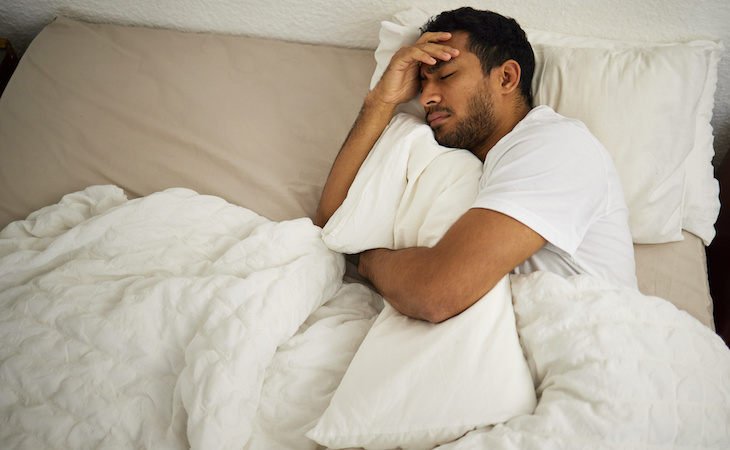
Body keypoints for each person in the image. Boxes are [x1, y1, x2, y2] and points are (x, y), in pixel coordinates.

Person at [314, 7, 637, 323]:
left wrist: (368, 261)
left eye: (447, 76)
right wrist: (381, 101)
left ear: (507, 77)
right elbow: (335, 222)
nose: (426, 97)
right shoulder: (454, 164)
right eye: (422, 83)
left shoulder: (557, 145)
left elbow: (437, 294)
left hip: (588, 334)